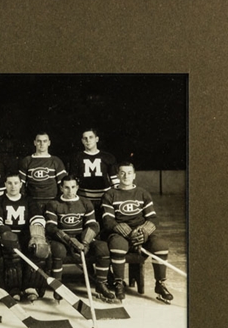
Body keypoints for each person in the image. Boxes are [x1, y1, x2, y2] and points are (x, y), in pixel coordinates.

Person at [101, 162, 173, 302]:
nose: (125, 176)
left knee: (160, 245)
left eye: (129, 173)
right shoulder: (110, 194)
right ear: (117, 175)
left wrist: (144, 231)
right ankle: (119, 283)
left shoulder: (142, 193)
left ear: (134, 175)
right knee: (118, 245)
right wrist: (126, 232)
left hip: (140, 233)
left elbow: (152, 218)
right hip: (121, 233)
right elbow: (108, 221)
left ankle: (160, 284)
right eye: (122, 172)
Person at [45, 175, 116, 301]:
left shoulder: (85, 202)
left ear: (77, 187)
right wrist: (68, 240)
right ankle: (58, 287)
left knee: (103, 248)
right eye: (66, 187)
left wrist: (85, 242)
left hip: (81, 239)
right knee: (58, 250)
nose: (70, 191)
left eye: (73, 187)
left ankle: (101, 284)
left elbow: (93, 224)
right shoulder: (53, 204)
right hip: (62, 239)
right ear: (61, 188)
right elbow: (51, 227)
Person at [0, 173, 49, 302]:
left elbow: (37, 218)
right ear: (5, 185)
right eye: (9, 183)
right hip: (7, 238)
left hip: (26, 236)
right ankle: (14, 288)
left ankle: (31, 287)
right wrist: (6, 234)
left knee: (38, 251)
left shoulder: (29, 200)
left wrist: (37, 235)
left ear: (21, 184)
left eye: (16, 183)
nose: (13, 186)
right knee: (13, 256)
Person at [67, 128, 119, 209]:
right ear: (82, 141)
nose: (88, 140)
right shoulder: (76, 157)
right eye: (85, 138)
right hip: (84, 198)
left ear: (97, 139)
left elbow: (115, 180)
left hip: (104, 197)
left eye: (91, 137)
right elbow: (72, 180)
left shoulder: (107, 157)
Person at [18, 133, 67, 210]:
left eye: (44, 141)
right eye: (39, 141)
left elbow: (63, 184)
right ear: (34, 143)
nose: (41, 144)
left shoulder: (55, 160)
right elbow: (21, 184)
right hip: (33, 201)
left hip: (52, 201)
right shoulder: (27, 160)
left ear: (49, 143)